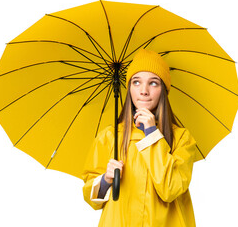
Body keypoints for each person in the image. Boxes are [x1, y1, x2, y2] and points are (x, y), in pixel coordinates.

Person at [82, 49, 197, 227]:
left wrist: (152, 134)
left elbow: (170, 189)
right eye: (136, 82)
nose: (143, 91)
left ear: (163, 90)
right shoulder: (110, 136)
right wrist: (106, 179)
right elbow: (92, 197)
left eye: (153, 83)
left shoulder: (182, 139)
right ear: (129, 88)